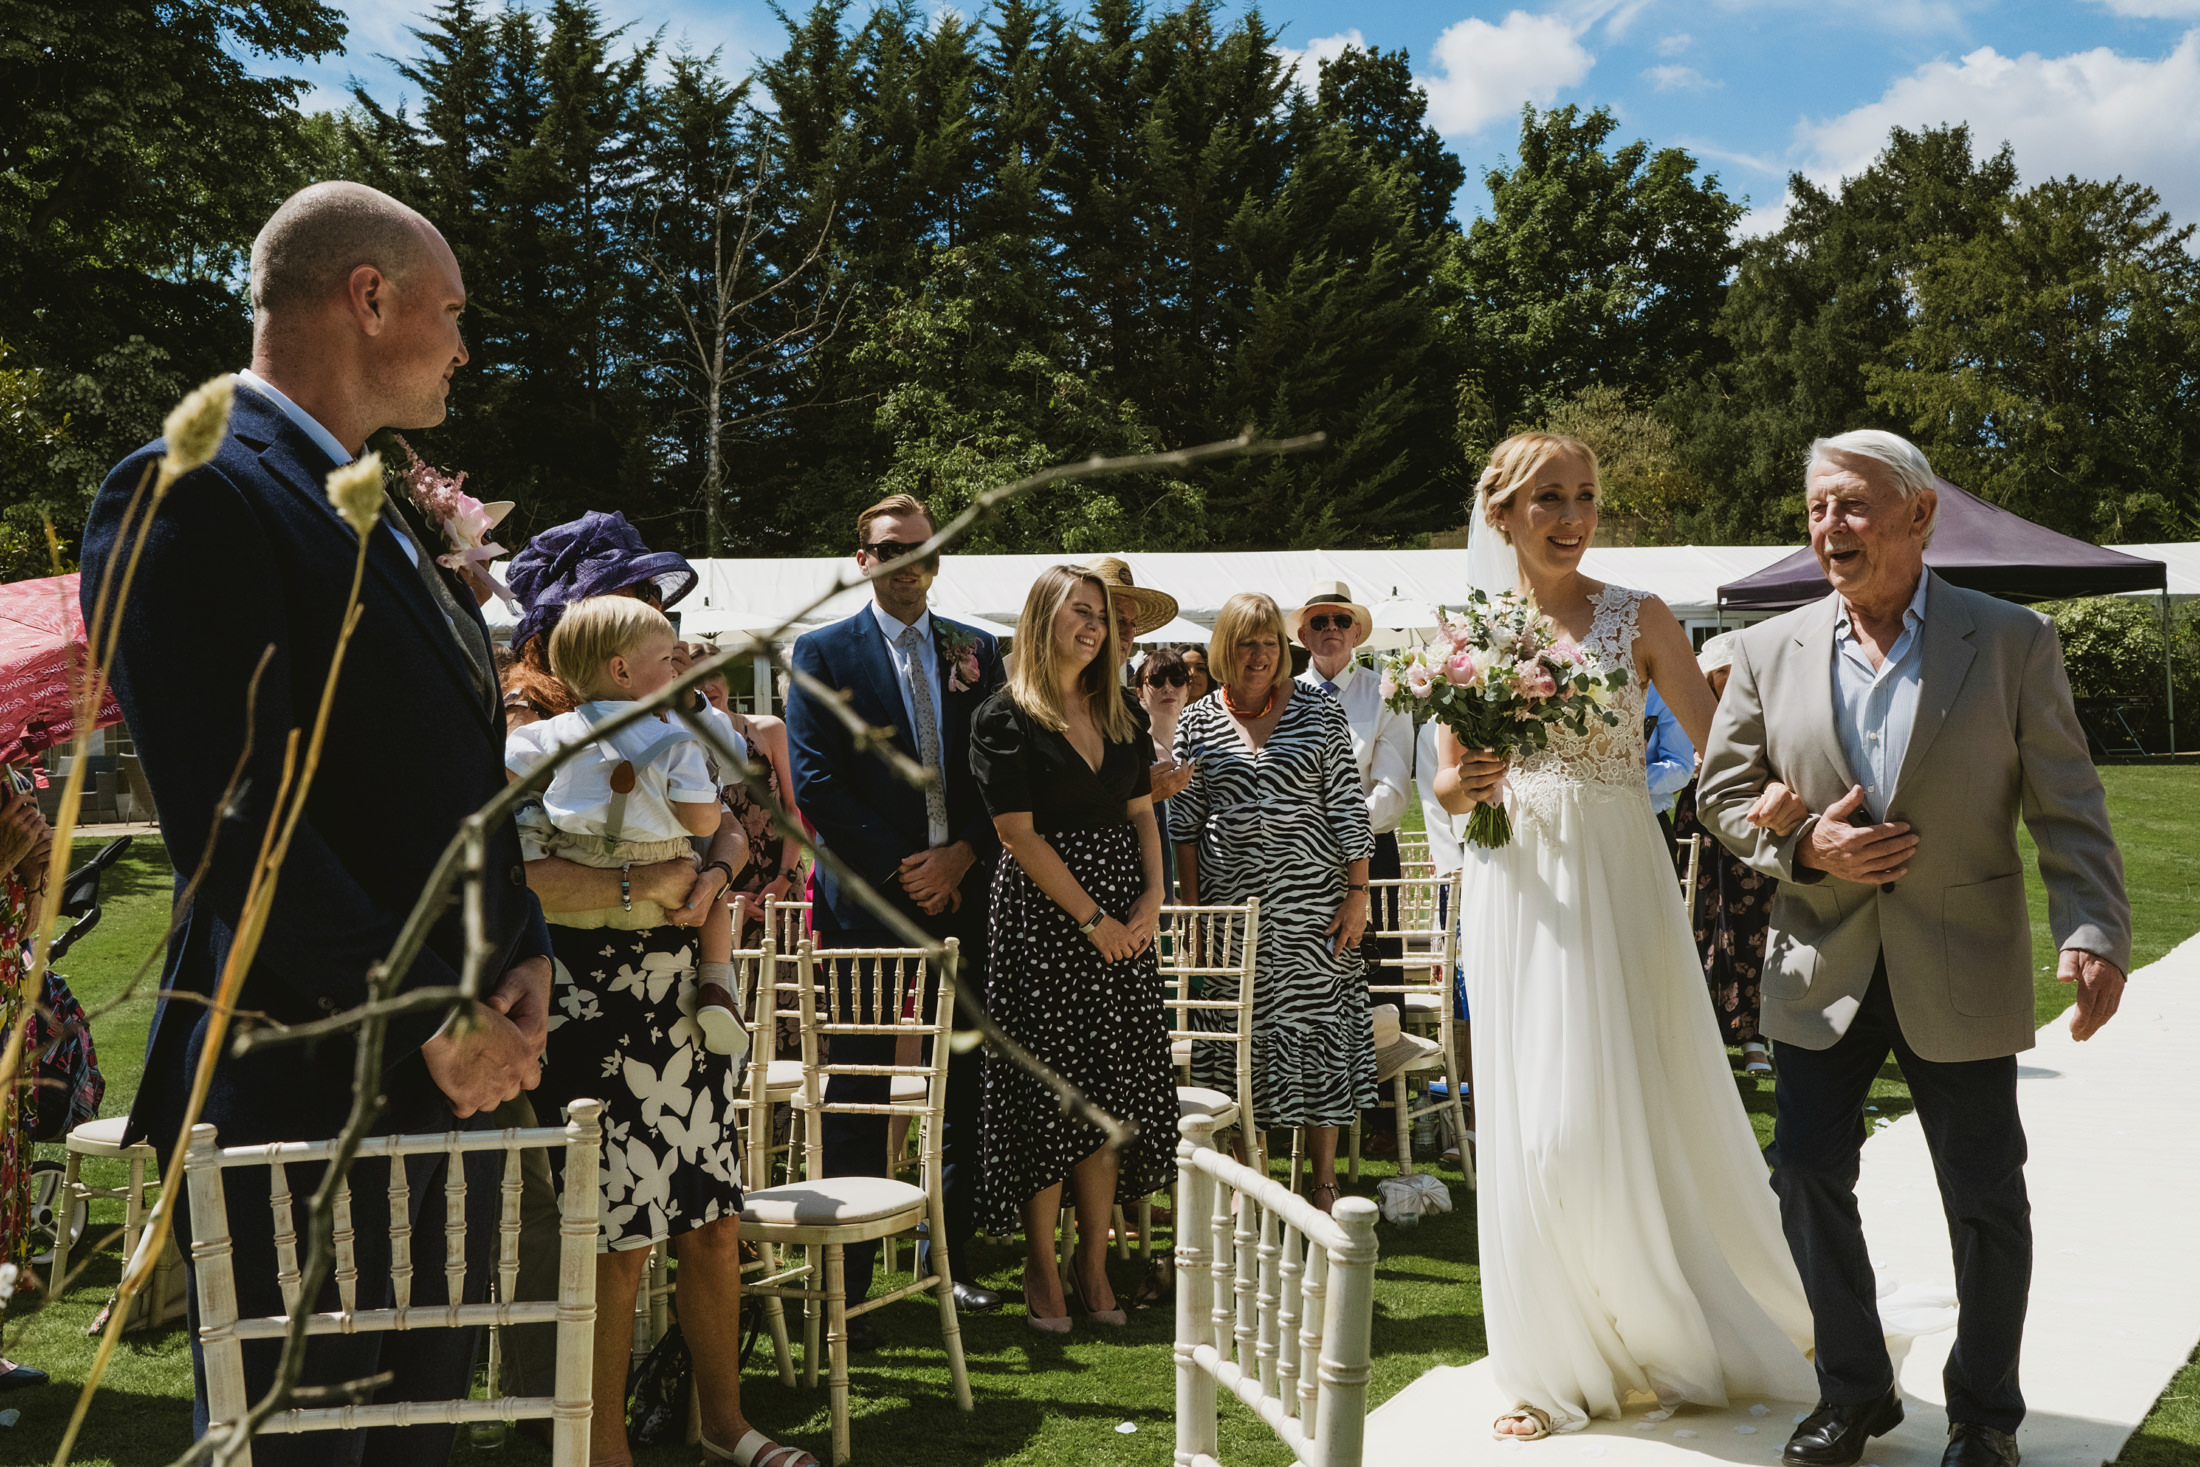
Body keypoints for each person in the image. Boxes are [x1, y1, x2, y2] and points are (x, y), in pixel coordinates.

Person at [80, 180, 551, 1464]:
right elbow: (241, 823)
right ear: (369, 297)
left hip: (449, 1086)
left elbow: (454, 772)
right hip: (304, 1088)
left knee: (420, 1440)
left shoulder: (375, 504)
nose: (464, 346)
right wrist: (429, 1024)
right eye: (451, 314)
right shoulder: (198, 486)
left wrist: (521, 955)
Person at [1699, 430, 2131, 1467]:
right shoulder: (1765, 649)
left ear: (1918, 514)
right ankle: (1852, 1392)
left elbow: (2067, 805)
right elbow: (1717, 794)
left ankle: (1985, 1417)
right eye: (1816, 509)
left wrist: (2093, 927)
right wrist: (1806, 842)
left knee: (1983, 1195)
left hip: (1962, 958)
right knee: (1803, 1173)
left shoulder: (2013, 640)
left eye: (1850, 506)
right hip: (1818, 963)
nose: (1828, 528)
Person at [1434, 430, 1818, 1439]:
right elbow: (1444, 775)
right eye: (1548, 498)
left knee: (1602, 1112)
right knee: (1532, 1121)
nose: (1570, 516)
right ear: (1502, 514)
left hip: (1615, 879)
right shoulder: (1464, 629)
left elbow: (1717, 749)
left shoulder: (1637, 616)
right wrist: (1462, 781)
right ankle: (1549, 1366)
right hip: (1514, 885)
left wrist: (1783, 804)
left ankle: (1666, 1328)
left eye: (1584, 495)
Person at [785, 492, 1007, 1337]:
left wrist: (962, 856)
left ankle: (944, 1260)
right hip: (870, 902)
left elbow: (1002, 773)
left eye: (922, 549)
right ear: (863, 560)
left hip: (968, 891)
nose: (908, 563)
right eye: (890, 549)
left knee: (962, 1078)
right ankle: (848, 1273)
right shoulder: (821, 651)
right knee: (861, 1079)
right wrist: (905, 869)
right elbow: (816, 782)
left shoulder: (979, 650)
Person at [969, 565, 1176, 1330]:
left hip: (1126, 915)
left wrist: (1153, 897)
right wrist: (1095, 920)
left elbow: (1142, 809)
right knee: (1048, 1097)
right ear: (1042, 617)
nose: (1094, 626)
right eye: (1079, 612)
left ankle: (1093, 1263)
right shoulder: (1003, 716)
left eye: (1101, 615)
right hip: (1046, 924)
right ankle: (1041, 1267)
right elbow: (1015, 834)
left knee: (1109, 1092)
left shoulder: (1118, 707)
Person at [1169, 592, 1375, 1215]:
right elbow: (1184, 825)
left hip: (1314, 908)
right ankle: (1241, 1182)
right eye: (1244, 643)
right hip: (1231, 918)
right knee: (1228, 1037)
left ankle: (1322, 1181)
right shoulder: (1197, 721)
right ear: (1223, 650)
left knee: (1315, 1032)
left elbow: (1347, 807)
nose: (1257, 656)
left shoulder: (1318, 713)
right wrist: (1198, 916)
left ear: (1282, 651)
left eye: (1267, 643)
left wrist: (1358, 893)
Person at [507, 597, 746, 1052]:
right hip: (661, 898)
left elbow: (508, 778)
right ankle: (717, 986)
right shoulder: (677, 741)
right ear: (621, 671)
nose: (676, 669)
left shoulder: (548, 732)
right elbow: (701, 818)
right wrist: (705, 807)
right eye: (665, 659)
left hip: (571, 895)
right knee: (711, 895)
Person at [1667, 632, 1775, 1077]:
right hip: (1698, 824)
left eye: (1736, 671)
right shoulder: (1685, 706)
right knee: (1695, 922)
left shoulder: (1765, 708)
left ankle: (1754, 1037)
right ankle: (1696, 1035)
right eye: (1722, 672)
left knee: (1752, 926)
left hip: (1750, 819)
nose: (1730, 679)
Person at [1133, 645, 1195, 900]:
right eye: (1157, 681)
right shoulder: (1133, 752)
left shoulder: (1202, 745)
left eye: (1177, 680)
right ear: (1140, 692)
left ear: (1188, 689)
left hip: (1196, 867)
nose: (1168, 687)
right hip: (1151, 874)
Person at [1644, 685, 1694, 851]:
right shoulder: (1569, 678)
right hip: (1577, 820)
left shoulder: (1659, 693)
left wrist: (1623, 776)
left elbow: (1681, 767)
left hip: (1649, 822)